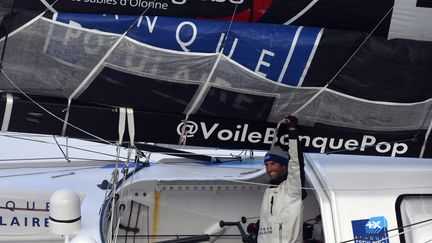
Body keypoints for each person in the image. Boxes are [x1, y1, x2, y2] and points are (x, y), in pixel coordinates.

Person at [257, 115, 304, 243]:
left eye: (273, 164)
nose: (269, 168)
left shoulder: (292, 188)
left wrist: (293, 132)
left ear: (284, 165)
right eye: (267, 165)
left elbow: (296, 162)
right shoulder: (268, 191)